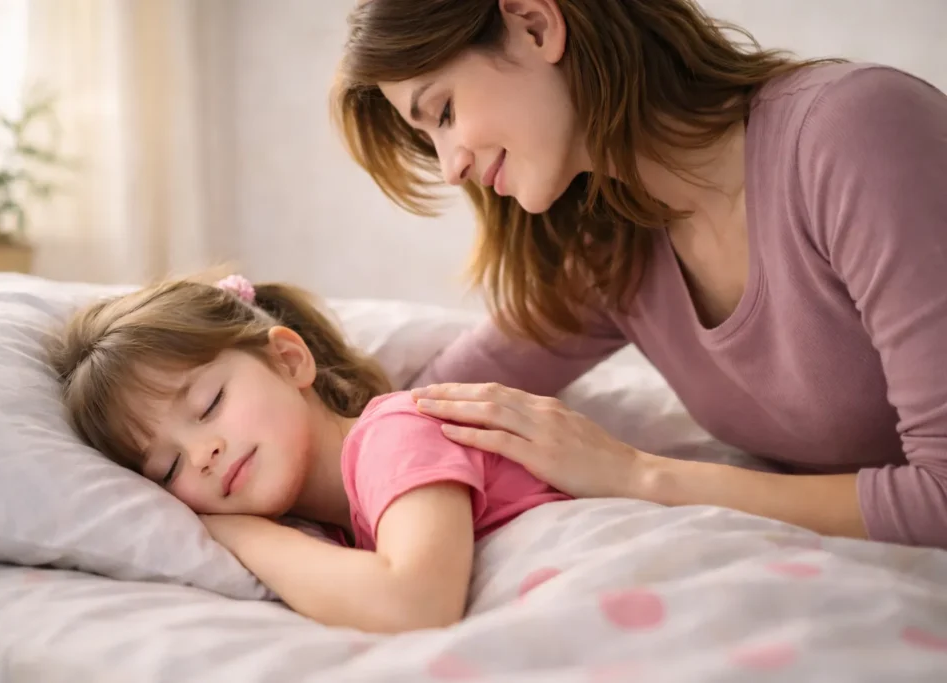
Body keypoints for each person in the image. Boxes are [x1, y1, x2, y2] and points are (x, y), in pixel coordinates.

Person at [333, 0, 947, 549]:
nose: (450, 169)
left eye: (443, 112)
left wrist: (638, 475)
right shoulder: (616, 252)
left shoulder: (855, 132)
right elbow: (433, 401)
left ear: (534, 25)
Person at [47, 274, 570, 633]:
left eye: (209, 404)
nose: (202, 454)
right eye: (169, 468)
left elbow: (416, 605)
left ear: (288, 359)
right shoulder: (333, 533)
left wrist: (242, 534)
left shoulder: (396, 432)